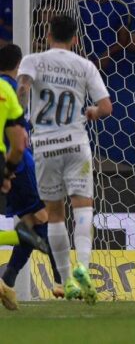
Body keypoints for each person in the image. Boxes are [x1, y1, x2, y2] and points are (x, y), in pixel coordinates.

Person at [16, 14, 113, 304]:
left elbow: (22, 88)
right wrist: (93, 112)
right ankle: (83, 265)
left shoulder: (32, 60)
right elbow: (106, 107)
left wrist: (21, 107)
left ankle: (66, 279)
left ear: (47, 35)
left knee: (55, 214)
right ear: (75, 39)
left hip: (46, 146)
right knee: (83, 208)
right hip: (76, 144)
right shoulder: (85, 65)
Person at [0, 44, 62, 309]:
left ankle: (8, 280)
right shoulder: (10, 90)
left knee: (32, 220)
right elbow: (19, 136)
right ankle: (62, 279)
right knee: (40, 218)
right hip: (14, 163)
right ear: (19, 63)